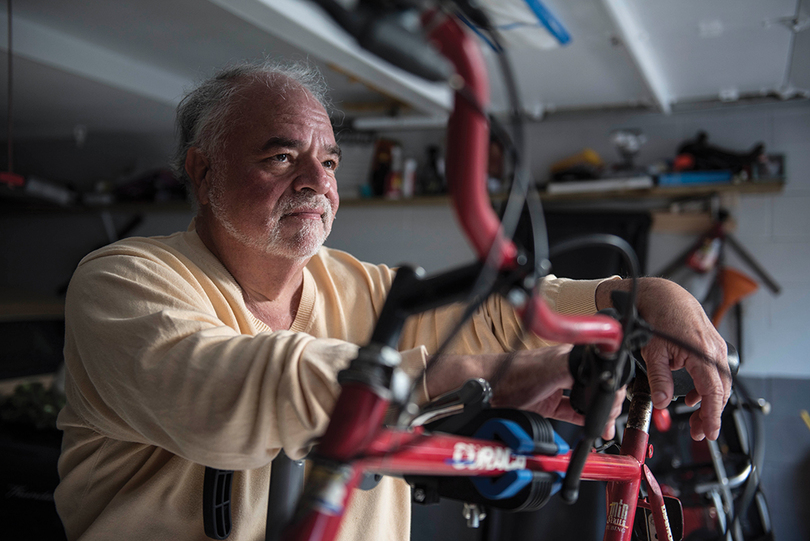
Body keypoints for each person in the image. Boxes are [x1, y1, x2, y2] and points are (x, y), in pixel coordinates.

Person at [54, 60, 729, 541]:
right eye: (281, 156)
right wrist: (487, 380)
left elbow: (492, 309)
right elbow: (248, 387)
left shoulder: (359, 286)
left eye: (329, 161)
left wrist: (634, 294)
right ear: (202, 173)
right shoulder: (125, 279)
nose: (316, 179)